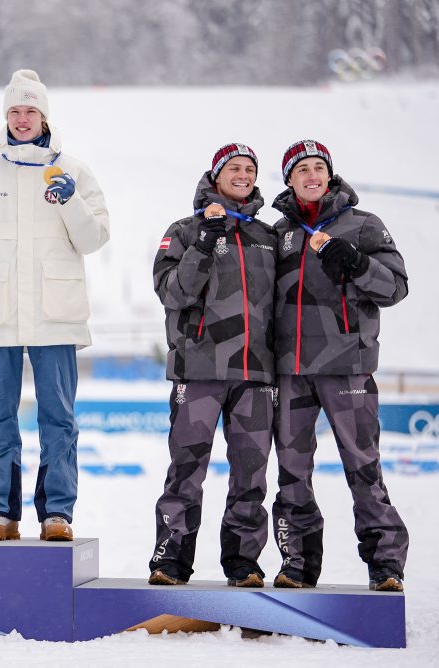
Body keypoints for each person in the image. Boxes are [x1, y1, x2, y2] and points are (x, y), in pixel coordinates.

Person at [0, 69, 109, 541]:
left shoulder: (74, 171)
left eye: (30, 111)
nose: (22, 119)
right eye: (15, 111)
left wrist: (70, 202)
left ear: (44, 116)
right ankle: (0, 512)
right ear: (6, 116)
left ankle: (57, 512)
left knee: (58, 416)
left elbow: (94, 237)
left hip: (55, 315)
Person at [270, 140, 409, 592]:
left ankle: (386, 565)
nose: (311, 176)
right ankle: (297, 565)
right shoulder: (278, 232)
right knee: (292, 471)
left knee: (363, 467)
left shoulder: (364, 224)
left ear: (329, 175)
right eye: (301, 170)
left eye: (318, 168)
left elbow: (395, 288)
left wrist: (356, 262)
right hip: (291, 371)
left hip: (348, 366)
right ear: (288, 180)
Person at [147, 144, 277, 587]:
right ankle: (171, 560)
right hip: (198, 369)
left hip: (255, 373)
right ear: (216, 176)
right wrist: (205, 242)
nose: (242, 175)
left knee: (251, 474)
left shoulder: (267, 235)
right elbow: (172, 293)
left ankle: (243, 562)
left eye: (249, 169)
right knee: (185, 471)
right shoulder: (184, 230)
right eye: (233, 168)